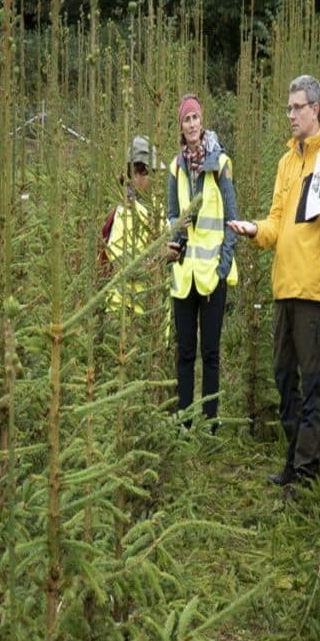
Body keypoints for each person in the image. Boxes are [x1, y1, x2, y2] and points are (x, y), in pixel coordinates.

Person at [228, 74, 320, 490]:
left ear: (315, 109)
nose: (290, 114)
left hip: (311, 289)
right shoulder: (287, 162)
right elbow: (274, 224)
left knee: (310, 382)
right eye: (288, 108)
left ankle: (304, 472)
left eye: (296, 107)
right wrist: (253, 230)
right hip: (282, 286)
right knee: (283, 377)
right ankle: (292, 460)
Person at [167, 94, 237, 428]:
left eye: (195, 118)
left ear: (202, 121)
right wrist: (174, 245)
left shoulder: (220, 164)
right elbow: (172, 216)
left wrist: (223, 268)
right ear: (180, 127)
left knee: (210, 353)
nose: (192, 124)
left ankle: (210, 423)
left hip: (212, 276)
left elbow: (232, 222)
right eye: (186, 120)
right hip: (184, 275)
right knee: (184, 353)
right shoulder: (175, 167)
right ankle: (183, 423)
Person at [101, 135, 157, 313]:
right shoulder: (123, 210)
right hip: (125, 311)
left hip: (151, 310)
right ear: (135, 174)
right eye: (150, 173)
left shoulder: (155, 205)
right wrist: (158, 259)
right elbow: (119, 261)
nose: (155, 179)